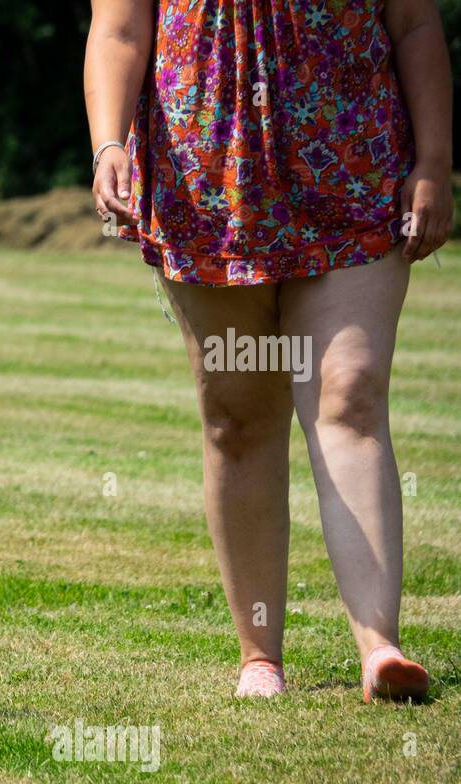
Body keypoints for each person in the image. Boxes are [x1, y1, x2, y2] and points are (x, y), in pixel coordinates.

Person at [85, 0, 452, 700]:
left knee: (351, 391)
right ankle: (260, 656)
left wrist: (433, 160)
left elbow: (415, 24)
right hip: (210, 186)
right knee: (239, 416)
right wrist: (109, 144)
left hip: (354, 167)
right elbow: (120, 29)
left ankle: (380, 648)